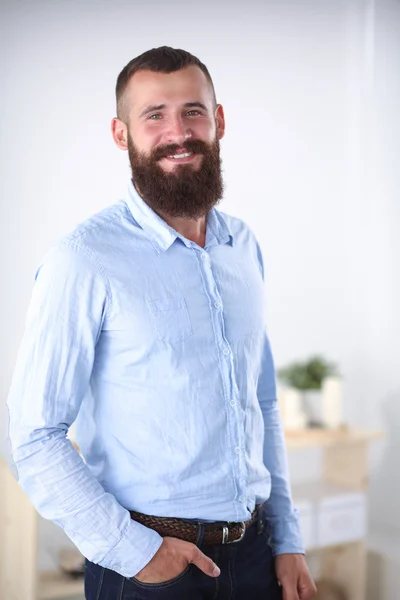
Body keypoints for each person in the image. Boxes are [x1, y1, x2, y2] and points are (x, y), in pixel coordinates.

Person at [6, 47, 317, 600]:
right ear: (122, 135)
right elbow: (35, 436)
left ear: (218, 121)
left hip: (256, 553)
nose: (179, 132)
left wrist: (287, 538)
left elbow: (262, 401)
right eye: (154, 115)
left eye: (193, 111)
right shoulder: (82, 260)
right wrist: (137, 554)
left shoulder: (242, 247)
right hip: (151, 565)